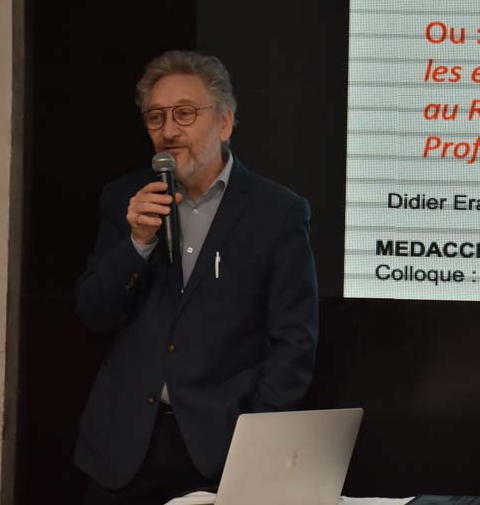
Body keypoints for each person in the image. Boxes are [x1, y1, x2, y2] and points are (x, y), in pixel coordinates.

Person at [74, 51, 318, 505]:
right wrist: (137, 243)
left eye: (185, 114)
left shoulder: (277, 213)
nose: (168, 131)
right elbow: (93, 314)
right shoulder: (125, 199)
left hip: (218, 452)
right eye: (156, 117)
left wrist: (253, 442)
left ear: (224, 122)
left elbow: (294, 343)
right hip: (122, 447)